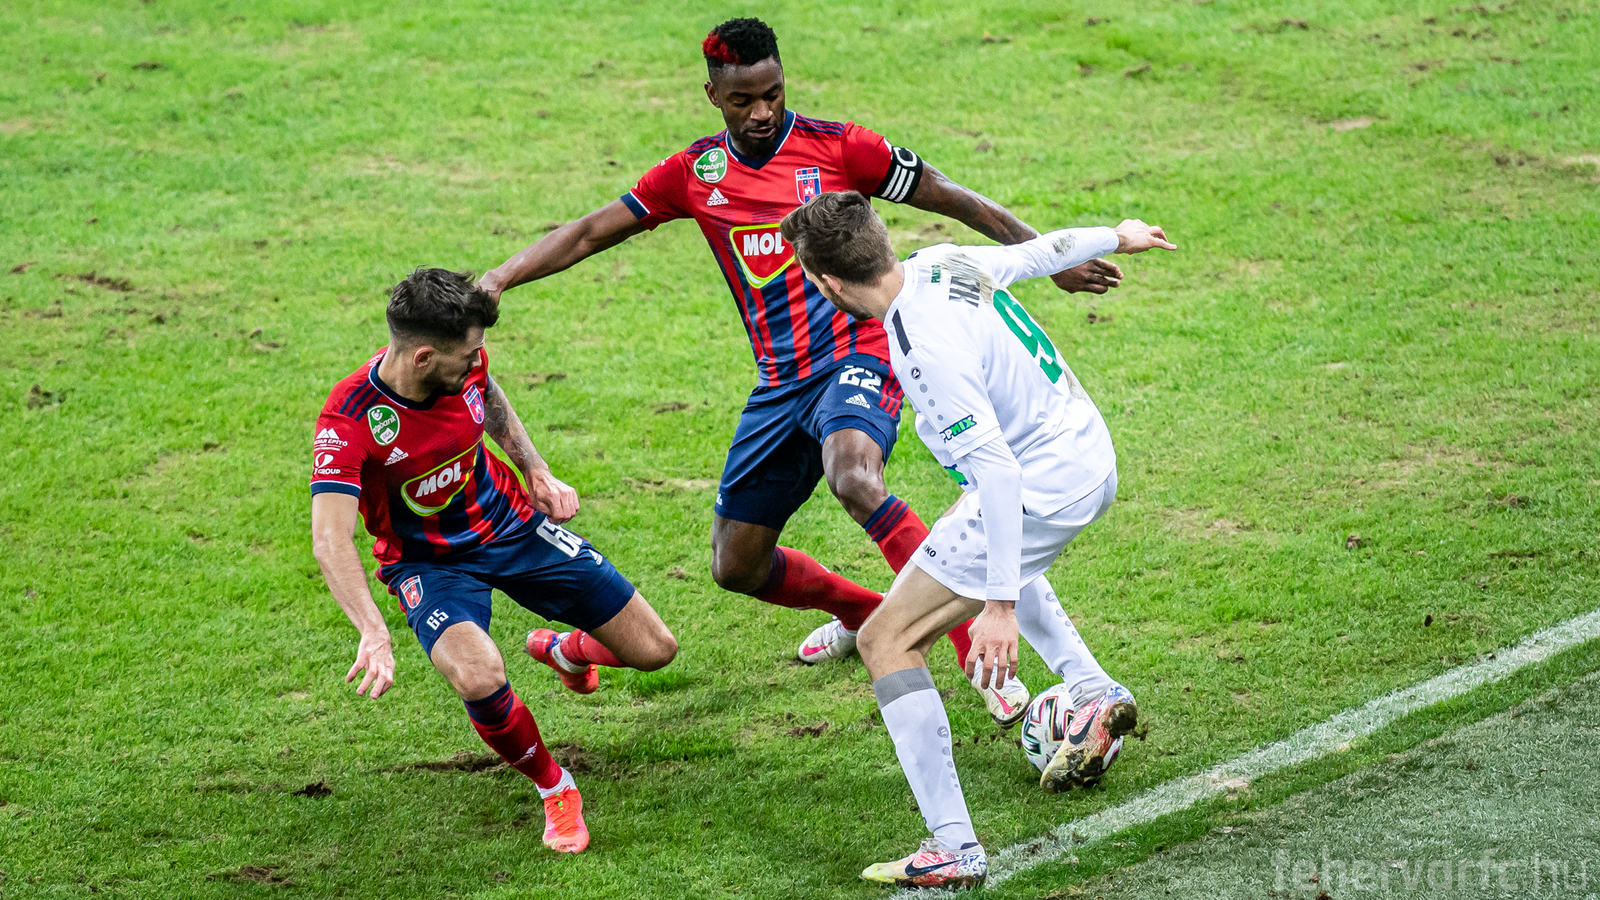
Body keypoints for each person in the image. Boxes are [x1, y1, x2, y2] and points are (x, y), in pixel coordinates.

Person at [479, 17, 1125, 724]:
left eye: (773, 94)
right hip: (780, 382)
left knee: (854, 475)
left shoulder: (842, 147)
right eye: (742, 101)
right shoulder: (695, 175)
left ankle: (976, 655)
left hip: (860, 352)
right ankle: (865, 612)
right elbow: (589, 231)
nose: (761, 112)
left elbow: (948, 194)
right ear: (713, 96)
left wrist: (1051, 257)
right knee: (737, 565)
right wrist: (500, 278)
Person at [778, 191, 1175, 888]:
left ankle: (954, 848)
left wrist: (999, 607)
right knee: (979, 533)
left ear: (830, 283)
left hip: (1039, 482)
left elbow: (997, 472)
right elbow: (1037, 253)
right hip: (1089, 454)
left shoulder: (918, 347)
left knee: (886, 639)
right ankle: (1090, 688)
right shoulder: (942, 260)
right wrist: (1116, 234)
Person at [308, 269, 679, 855]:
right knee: (479, 675)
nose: (477, 361)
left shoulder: (465, 364)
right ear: (424, 358)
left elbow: (490, 393)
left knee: (656, 651)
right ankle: (555, 786)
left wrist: (536, 468)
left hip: (511, 525)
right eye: (467, 356)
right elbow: (331, 539)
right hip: (429, 565)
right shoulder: (349, 419)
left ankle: (566, 650)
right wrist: (372, 632)